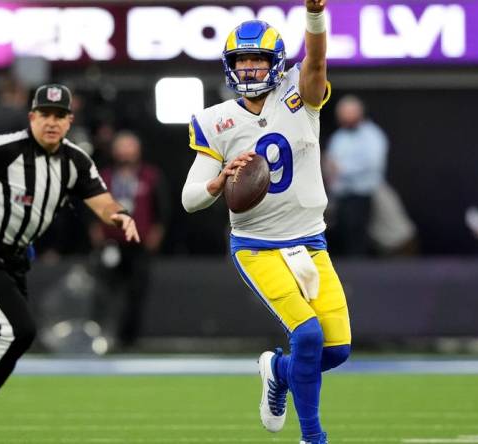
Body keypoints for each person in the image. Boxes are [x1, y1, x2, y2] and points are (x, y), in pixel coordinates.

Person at [0, 84, 140, 444]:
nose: (51, 122)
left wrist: (120, 216)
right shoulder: (5, 148)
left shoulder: (75, 161)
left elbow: (102, 201)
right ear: (32, 117)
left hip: (16, 260)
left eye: (58, 115)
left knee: (2, 342)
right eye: (44, 114)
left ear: (69, 121)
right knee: (16, 330)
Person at [181, 2, 350, 443]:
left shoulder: (300, 96)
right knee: (309, 337)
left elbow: (316, 59)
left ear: (275, 63)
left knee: (335, 350)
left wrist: (314, 17)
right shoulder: (214, 120)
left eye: (258, 58)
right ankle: (313, 437)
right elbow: (189, 199)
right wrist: (219, 180)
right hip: (258, 246)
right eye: (243, 59)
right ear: (230, 65)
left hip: (309, 243)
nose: (251, 67)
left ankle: (276, 369)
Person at [89, 130, 171, 350]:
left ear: (138, 150)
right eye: (121, 146)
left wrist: (156, 234)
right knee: (103, 293)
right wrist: (95, 232)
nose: (125, 151)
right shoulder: (104, 176)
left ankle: (129, 340)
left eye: (130, 146)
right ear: (114, 150)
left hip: (139, 246)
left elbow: (162, 209)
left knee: (136, 293)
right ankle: (102, 337)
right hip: (110, 244)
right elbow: (91, 207)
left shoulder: (150, 176)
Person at [324, 94, 388, 256]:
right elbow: (330, 162)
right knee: (342, 235)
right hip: (341, 196)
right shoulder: (339, 137)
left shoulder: (372, 135)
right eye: (342, 113)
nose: (344, 117)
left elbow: (372, 164)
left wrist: (342, 169)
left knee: (360, 236)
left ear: (359, 112)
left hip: (364, 195)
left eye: (348, 112)